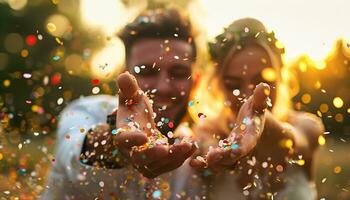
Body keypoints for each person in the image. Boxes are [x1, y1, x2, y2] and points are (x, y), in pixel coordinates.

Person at [41, 8, 201, 199]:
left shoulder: (195, 150)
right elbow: (74, 151)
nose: (164, 87)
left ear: (196, 81)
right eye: (147, 71)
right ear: (125, 75)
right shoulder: (85, 111)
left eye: (179, 73)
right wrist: (114, 143)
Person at [190, 18, 324, 199]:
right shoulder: (206, 132)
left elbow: (294, 141)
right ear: (218, 85)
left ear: (280, 79)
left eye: (264, 83)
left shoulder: (307, 127)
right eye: (233, 85)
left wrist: (261, 121)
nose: (248, 97)